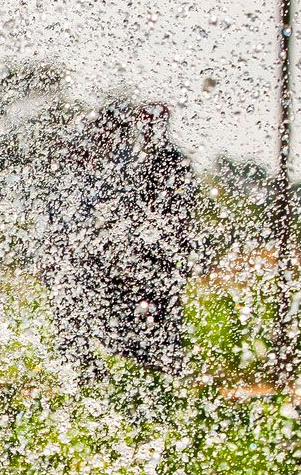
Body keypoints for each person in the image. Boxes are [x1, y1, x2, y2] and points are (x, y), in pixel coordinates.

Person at [42, 99, 197, 379]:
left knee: (158, 316)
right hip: (108, 257)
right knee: (94, 317)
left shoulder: (170, 160)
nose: (149, 128)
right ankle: (91, 374)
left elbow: (181, 214)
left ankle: (167, 372)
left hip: (157, 256)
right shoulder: (117, 163)